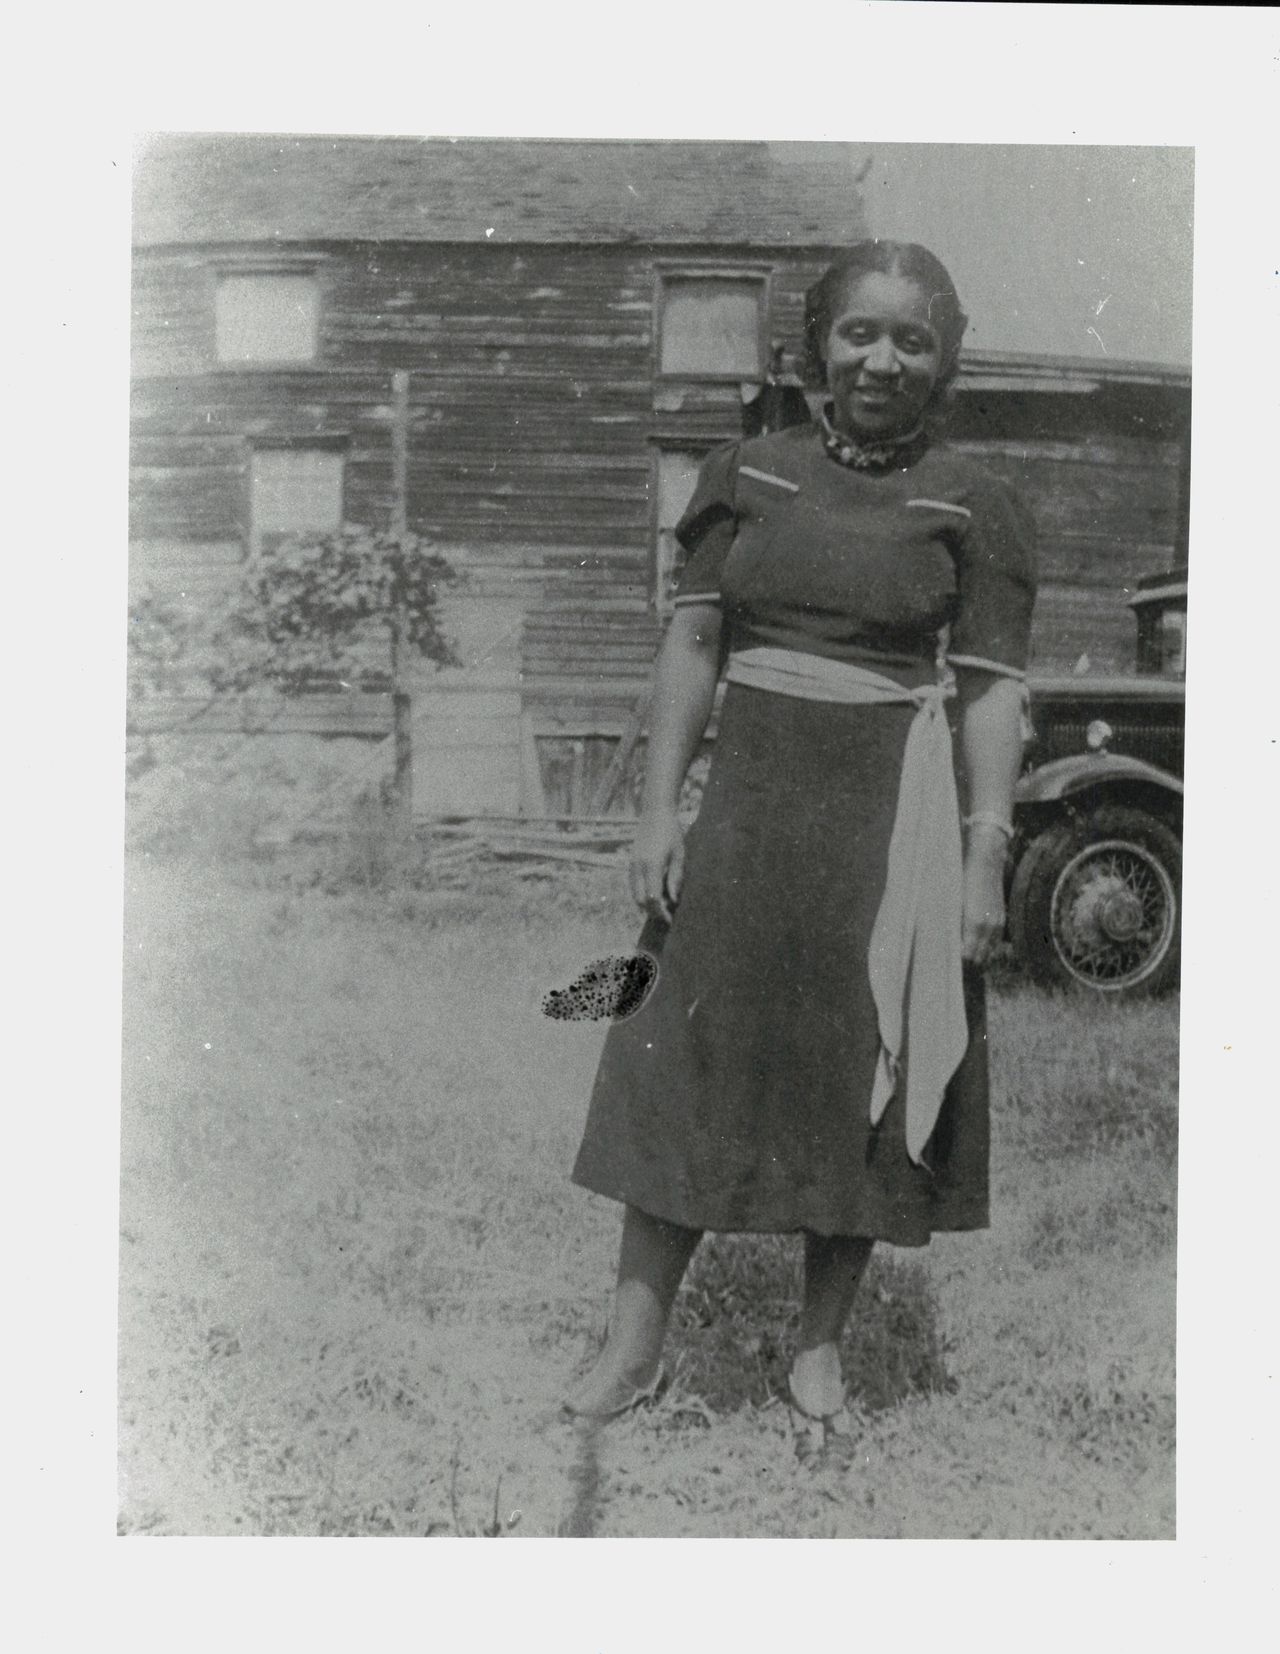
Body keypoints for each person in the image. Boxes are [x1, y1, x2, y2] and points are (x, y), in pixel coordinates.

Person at [566, 241, 1036, 1442]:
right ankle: (631, 1347)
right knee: (676, 1054)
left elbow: (987, 691)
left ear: (942, 360)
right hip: (749, 813)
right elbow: (691, 649)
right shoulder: (745, 473)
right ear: (815, 342)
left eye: (911, 340)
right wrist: (658, 808)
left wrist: (985, 851)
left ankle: (814, 1351)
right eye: (859, 333)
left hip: (892, 822)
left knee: (864, 1070)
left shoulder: (976, 502)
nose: (881, 360)